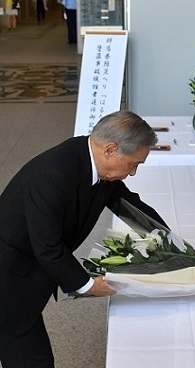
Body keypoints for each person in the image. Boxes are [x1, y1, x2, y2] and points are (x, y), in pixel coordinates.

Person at [0, 110, 169, 367]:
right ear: (111, 149)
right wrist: (86, 285)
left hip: (25, 269)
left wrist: (166, 239)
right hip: (9, 275)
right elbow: (48, 247)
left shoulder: (93, 161)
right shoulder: (54, 174)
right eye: (134, 164)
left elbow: (125, 203)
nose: (133, 172)